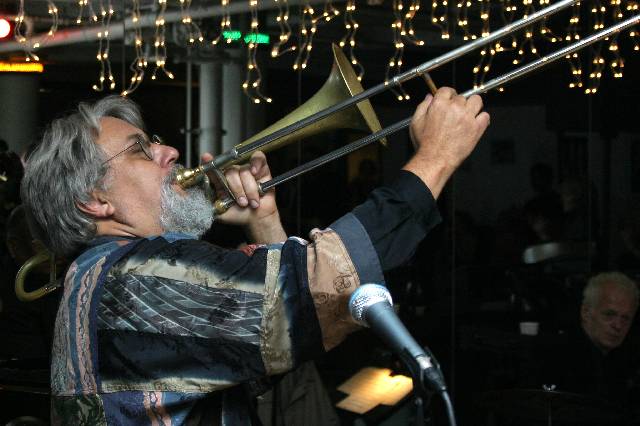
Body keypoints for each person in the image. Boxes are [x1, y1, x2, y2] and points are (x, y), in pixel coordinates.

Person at [21, 87, 489, 425]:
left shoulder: (101, 275)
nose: (170, 151)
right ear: (94, 200)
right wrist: (435, 159)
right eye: (140, 150)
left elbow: (267, 350)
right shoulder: (133, 276)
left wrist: (264, 221)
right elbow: (316, 286)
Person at [542, 272, 640, 422]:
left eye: (625, 318)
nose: (618, 325)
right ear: (586, 312)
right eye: (609, 314)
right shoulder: (555, 357)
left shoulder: (625, 361)